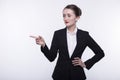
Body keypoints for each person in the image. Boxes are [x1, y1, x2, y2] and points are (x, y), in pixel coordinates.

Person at [30, 4, 105, 80]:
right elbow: (51, 57)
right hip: (60, 75)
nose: (65, 18)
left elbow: (100, 53)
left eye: (69, 15)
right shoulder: (58, 34)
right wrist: (43, 45)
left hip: (77, 75)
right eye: (64, 16)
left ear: (77, 18)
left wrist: (85, 64)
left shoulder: (84, 35)